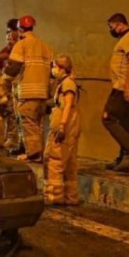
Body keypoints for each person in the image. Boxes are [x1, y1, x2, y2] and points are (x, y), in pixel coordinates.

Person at [2, 15, 53, 162]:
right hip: (43, 93)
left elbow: (14, 67)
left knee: (28, 124)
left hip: (27, 92)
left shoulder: (21, 45)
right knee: (38, 125)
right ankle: (40, 153)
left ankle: (33, 155)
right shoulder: (45, 46)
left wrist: (3, 80)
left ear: (19, 29)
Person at [103, 13, 129, 172]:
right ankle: (125, 158)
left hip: (124, 87)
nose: (111, 29)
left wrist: (127, 86)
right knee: (127, 123)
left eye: (112, 26)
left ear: (119, 24)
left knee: (108, 118)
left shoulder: (128, 39)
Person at [44, 54, 81, 205]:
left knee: (55, 160)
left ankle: (54, 196)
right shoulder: (67, 82)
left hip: (65, 125)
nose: (53, 70)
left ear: (61, 68)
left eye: (54, 66)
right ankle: (70, 197)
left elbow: (67, 105)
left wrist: (61, 125)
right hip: (71, 124)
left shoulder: (67, 84)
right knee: (70, 163)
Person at [0, 19, 22, 152]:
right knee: (9, 113)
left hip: (20, 88)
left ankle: (19, 142)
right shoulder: (3, 53)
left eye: (12, 32)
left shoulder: (22, 51)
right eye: (7, 32)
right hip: (7, 89)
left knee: (19, 116)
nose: (9, 36)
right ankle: (10, 138)